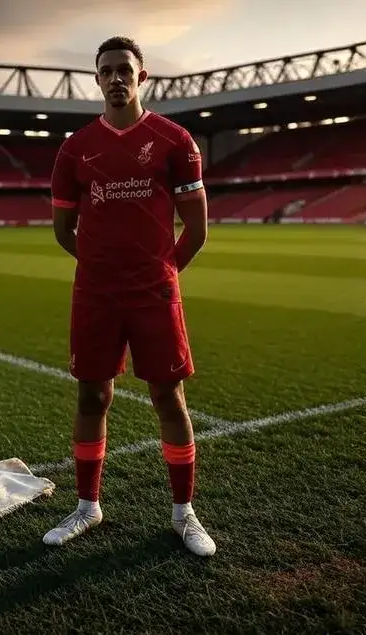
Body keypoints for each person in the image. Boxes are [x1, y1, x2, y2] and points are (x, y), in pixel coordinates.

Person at [44, 35, 215, 557]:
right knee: (93, 396)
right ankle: (87, 506)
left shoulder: (174, 140)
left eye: (125, 70)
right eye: (106, 71)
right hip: (95, 294)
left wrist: (160, 274)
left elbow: (197, 230)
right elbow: (62, 230)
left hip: (154, 294)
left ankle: (184, 513)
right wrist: (102, 270)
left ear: (142, 78)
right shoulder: (75, 149)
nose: (116, 78)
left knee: (169, 396)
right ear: (96, 80)